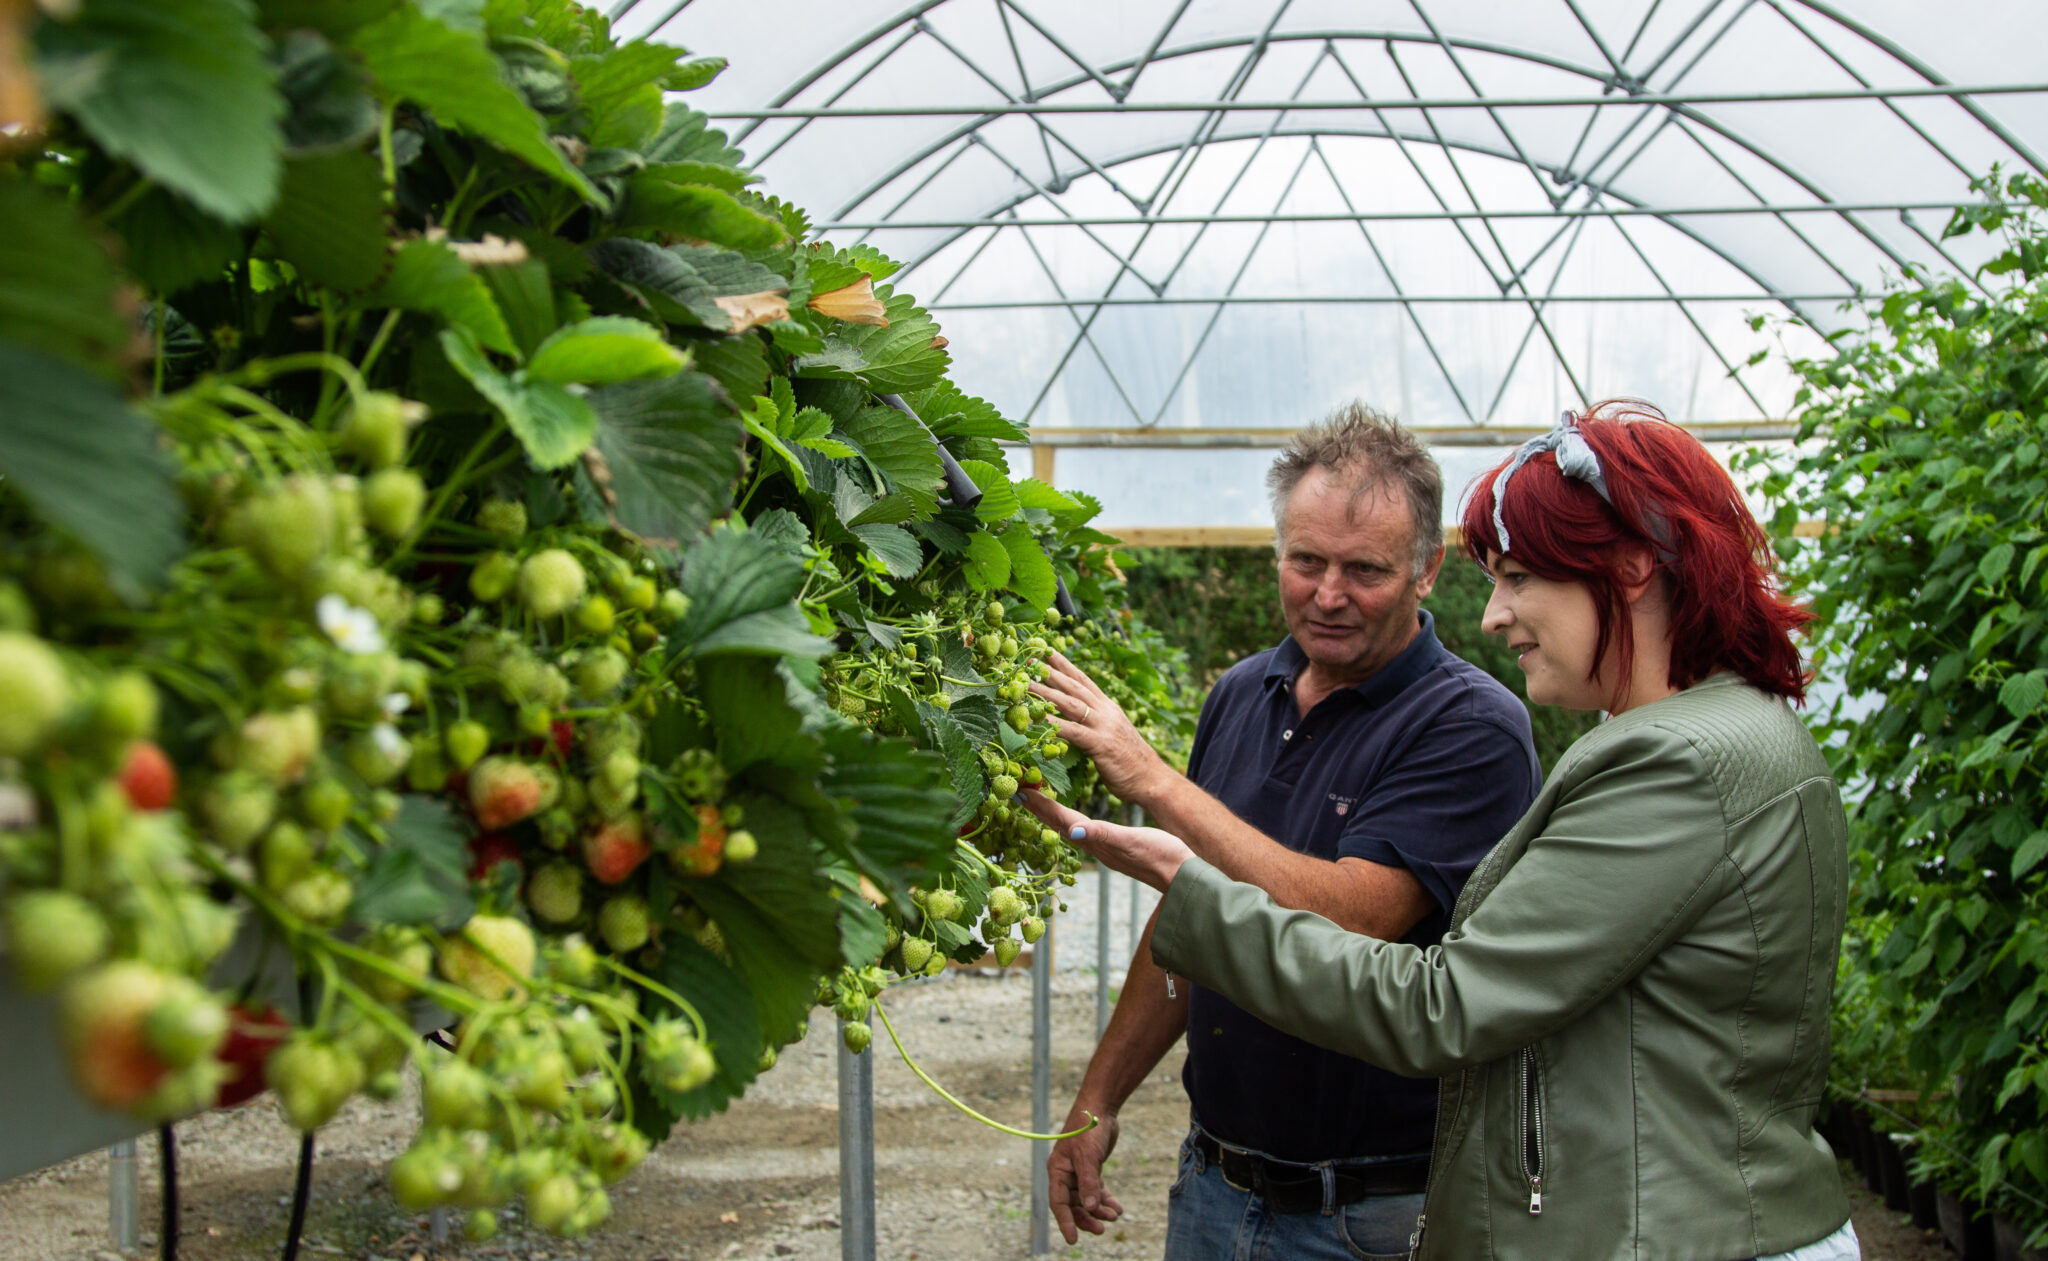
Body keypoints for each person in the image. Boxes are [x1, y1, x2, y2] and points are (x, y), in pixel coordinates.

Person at [1032, 401, 1857, 1261]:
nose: (1496, 614)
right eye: (1305, 559)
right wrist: (1105, 1086)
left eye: (1521, 578)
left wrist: (1173, 833)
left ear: (1634, 566)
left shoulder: (1652, 758)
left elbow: (1440, 1002)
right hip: (1233, 1176)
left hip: (1571, 1224)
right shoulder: (1712, 736)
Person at [1036, 404, 1541, 1258]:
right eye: (1305, 560)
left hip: (1371, 1214)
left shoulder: (1470, 725)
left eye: (1364, 569)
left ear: (1427, 571)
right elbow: (1191, 921)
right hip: (1214, 1186)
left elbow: (1347, 919)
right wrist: (1100, 1095)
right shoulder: (1242, 693)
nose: (1328, 594)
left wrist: (1153, 780)